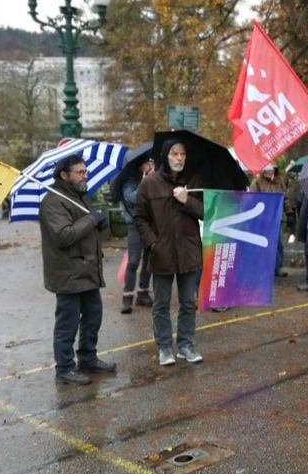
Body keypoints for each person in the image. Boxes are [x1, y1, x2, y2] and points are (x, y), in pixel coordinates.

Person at [39, 154, 116, 385]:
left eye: (85, 171)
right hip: (68, 273)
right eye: (80, 172)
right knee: (68, 323)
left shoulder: (80, 197)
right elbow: (64, 236)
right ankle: (64, 367)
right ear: (64, 175)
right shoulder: (53, 202)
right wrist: (91, 220)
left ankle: (87, 358)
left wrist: (100, 224)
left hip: (88, 270)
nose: (85, 176)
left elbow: (90, 232)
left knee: (93, 316)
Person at [134, 139, 205, 366]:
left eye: (183, 154)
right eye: (174, 153)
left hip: (189, 251)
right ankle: (164, 347)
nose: (179, 158)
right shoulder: (149, 184)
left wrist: (187, 200)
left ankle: (185, 344)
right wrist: (152, 244)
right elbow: (140, 218)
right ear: (166, 156)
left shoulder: (194, 181)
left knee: (188, 302)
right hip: (162, 253)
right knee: (161, 303)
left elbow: (206, 212)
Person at [119, 155, 155, 314]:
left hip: (150, 223)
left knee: (149, 259)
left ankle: (143, 293)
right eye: (147, 163)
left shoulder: (154, 178)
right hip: (134, 224)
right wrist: (145, 182)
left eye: (151, 163)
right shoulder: (129, 181)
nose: (150, 166)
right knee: (133, 261)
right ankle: (127, 297)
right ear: (140, 166)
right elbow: (131, 198)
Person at [250, 164, 292, 277]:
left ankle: (278, 267)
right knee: (263, 244)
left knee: (278, 244)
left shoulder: (279, 181)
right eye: (267, 170)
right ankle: (263, 267)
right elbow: (252, 199)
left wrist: (289, 212)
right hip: (263, 219)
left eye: (271, 170)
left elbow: (285, 198)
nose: (269, 172)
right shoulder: (256, 183)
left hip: (277, 218)